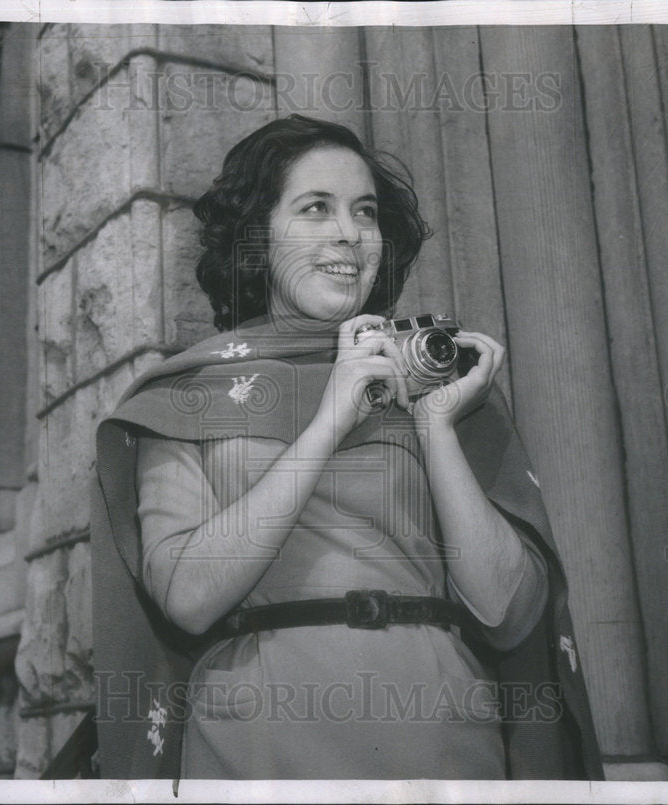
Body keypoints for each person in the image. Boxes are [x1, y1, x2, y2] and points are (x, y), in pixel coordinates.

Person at [91, 114, 603, 780]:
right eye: (314, 209)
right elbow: (187, 595)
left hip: (445, 746)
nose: (348, 233)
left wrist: (436, 424)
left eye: (364, 212)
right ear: (257, 235)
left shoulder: (439, 380)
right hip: (258, 750)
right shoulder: (189, 392)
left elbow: (508, 613)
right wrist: (331, 418)